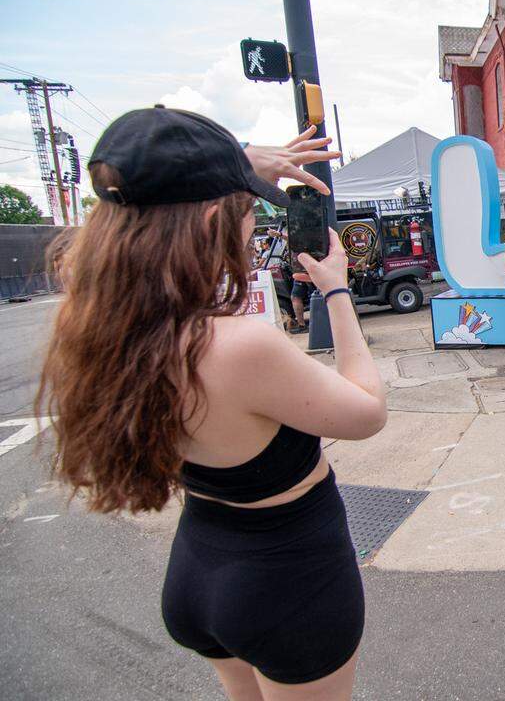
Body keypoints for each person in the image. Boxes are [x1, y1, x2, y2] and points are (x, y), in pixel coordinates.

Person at [37, 108, 385, 701]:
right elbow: (366, 411)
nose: (252, 220)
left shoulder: (103, 328)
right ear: (209, 220)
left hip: (200, 571)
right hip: (287, 581)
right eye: (247, 205)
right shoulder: (237, 346)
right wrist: (336, 289)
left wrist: (235, 159)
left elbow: (144, 197)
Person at [267, 226, 315, 335]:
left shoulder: (300, 239)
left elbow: (293, 240)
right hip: (302, 271)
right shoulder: (302, 237)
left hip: (302, 271)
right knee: (306, 296)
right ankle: (305, 323)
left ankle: (303, 325)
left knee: (296, 296)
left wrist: (279, 235)